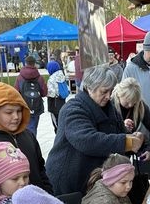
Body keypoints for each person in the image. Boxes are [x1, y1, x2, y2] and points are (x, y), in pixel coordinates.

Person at [46, 65, 144, 195]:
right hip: (68, 182)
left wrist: (134, 137)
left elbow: (120, 132)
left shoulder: (110, 109)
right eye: (104, 92)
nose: (109, 96)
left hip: (91, 179)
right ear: (89, 88)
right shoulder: (73, 109)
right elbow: (88, 140)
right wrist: (127, 142)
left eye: (111, 91)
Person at [112, 77, 150, 162]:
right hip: (112, 154)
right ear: (119, 95)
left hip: (129, 153)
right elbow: (105, 132)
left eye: (133, 102)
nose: (130, 105)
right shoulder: (110, 105)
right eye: (127, 102)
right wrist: (122, 126)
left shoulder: (139, 105)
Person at [15, 55, 47, 135]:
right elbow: (44, 93)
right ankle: (32, 143)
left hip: (24, 105)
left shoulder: (20, 77)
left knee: (24, 127)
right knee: (33, 127)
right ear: (34, 64)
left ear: (25, 63)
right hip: (36, 106)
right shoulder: (39, 77)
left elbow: (16, 92)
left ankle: (26, 143)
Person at [45, 59, 68, 132]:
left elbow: (51, 93)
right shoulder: (62, 76)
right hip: (62, 101)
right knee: (62, 120)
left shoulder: (51, 79)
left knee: (56, 123)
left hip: (54, 104)